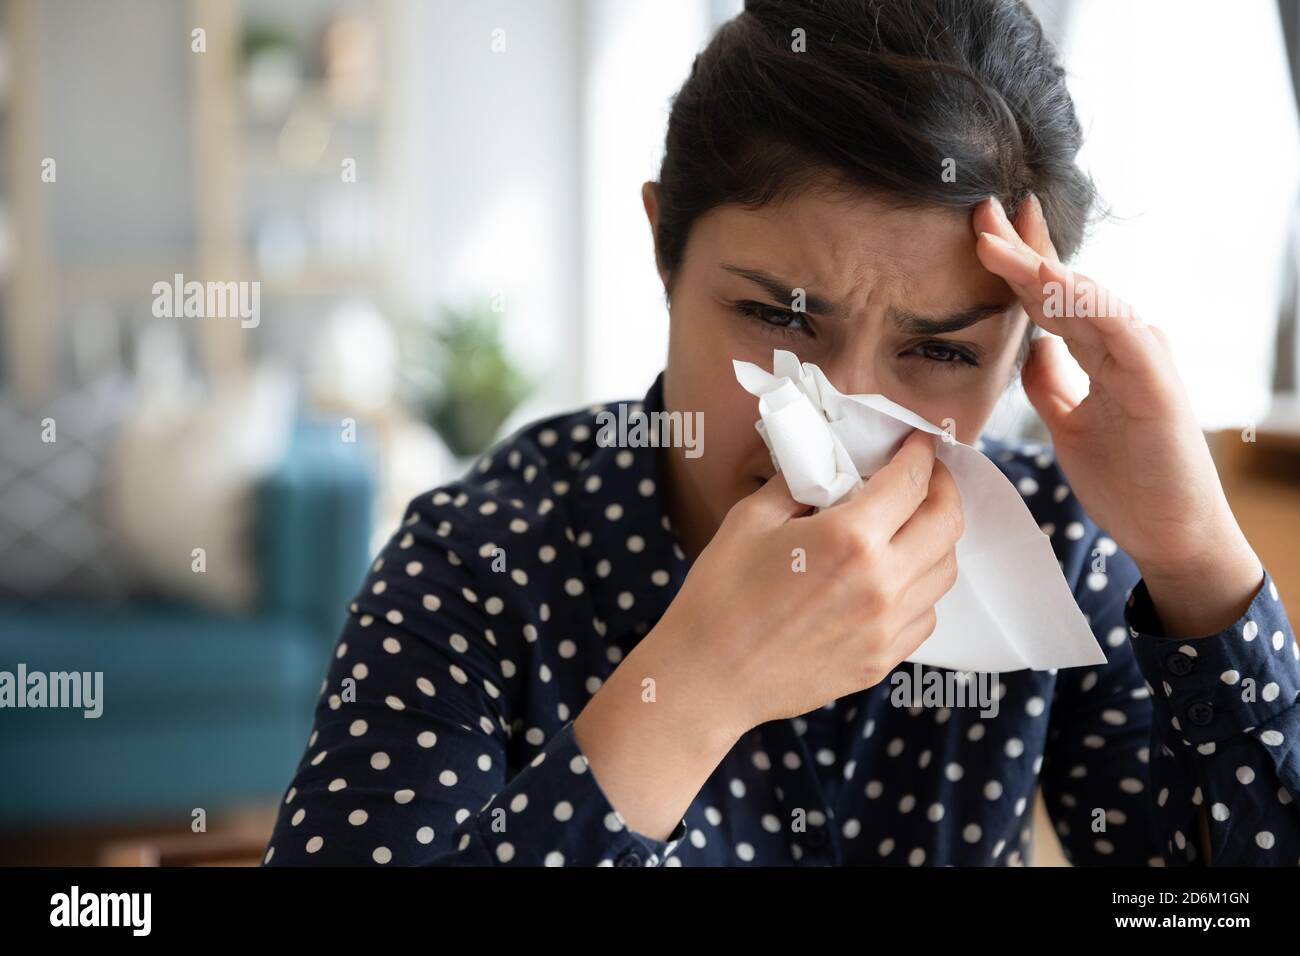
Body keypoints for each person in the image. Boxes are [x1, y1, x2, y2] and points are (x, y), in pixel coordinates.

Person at [262, 0, 1300, 866]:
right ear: (664, 250)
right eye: (773, 318)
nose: (834, 418)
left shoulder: (1059, 559)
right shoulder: (475, 566)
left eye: (937, 353)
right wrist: (694, 687)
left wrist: (1196, 559)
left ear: (1024, 346)